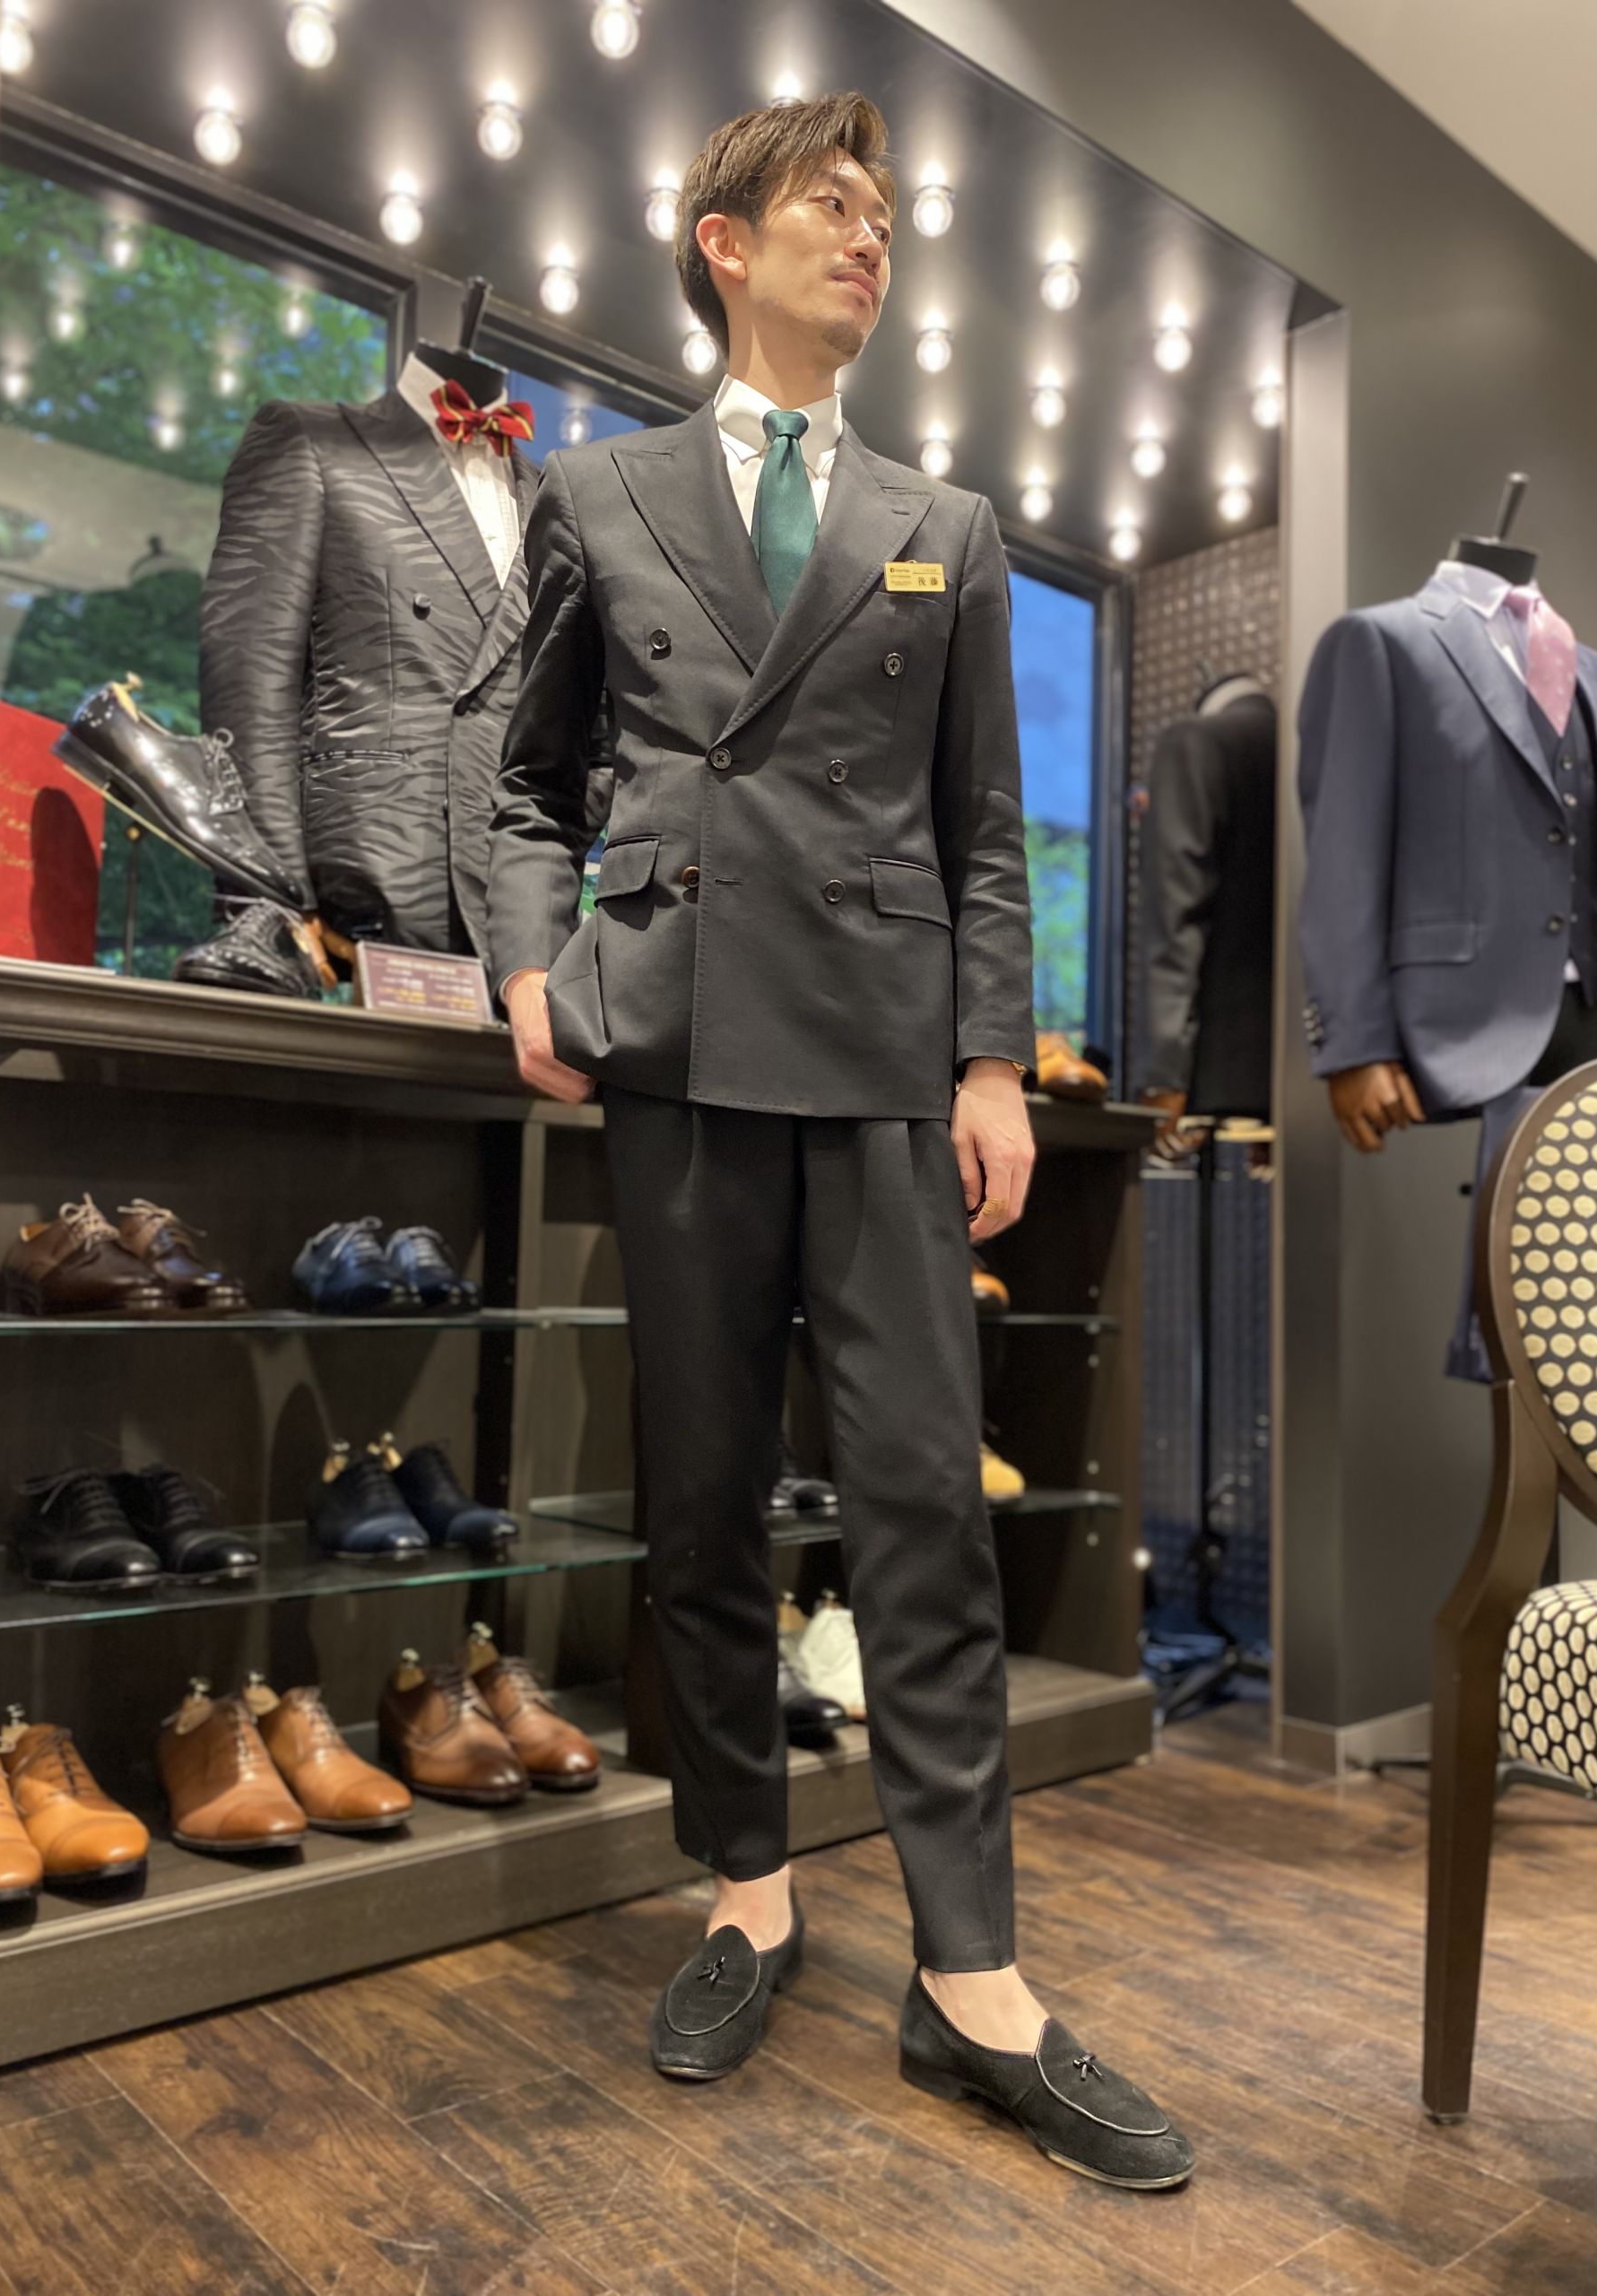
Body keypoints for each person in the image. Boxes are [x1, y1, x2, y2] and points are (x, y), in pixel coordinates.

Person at [488, 90, 1192, 2189]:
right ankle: (748, 1890)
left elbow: (984, 824)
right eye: (830, 205)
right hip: (679, 1045)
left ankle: (973, 1969)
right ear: (723, 241)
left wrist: (992, 1063)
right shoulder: (598, 495)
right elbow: (523, 778)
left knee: (921, 1512)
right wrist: (529, 968)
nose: (869, 239)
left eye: (885, 216)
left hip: (883, 1066)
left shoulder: (941, 522)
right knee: (702, 1505)